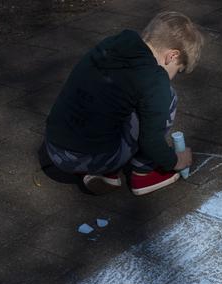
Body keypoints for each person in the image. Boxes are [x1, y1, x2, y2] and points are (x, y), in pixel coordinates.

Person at [44, 11, 203, 195]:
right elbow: (150, 141)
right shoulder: (154, 79)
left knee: (113, 100)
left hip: (55, 147)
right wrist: (175, 161)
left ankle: (104, 171)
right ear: (172, 56)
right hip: (88, 157)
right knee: (167, 97)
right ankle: (143, 174)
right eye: (177, 70)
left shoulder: (111, 45)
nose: (173, 76)